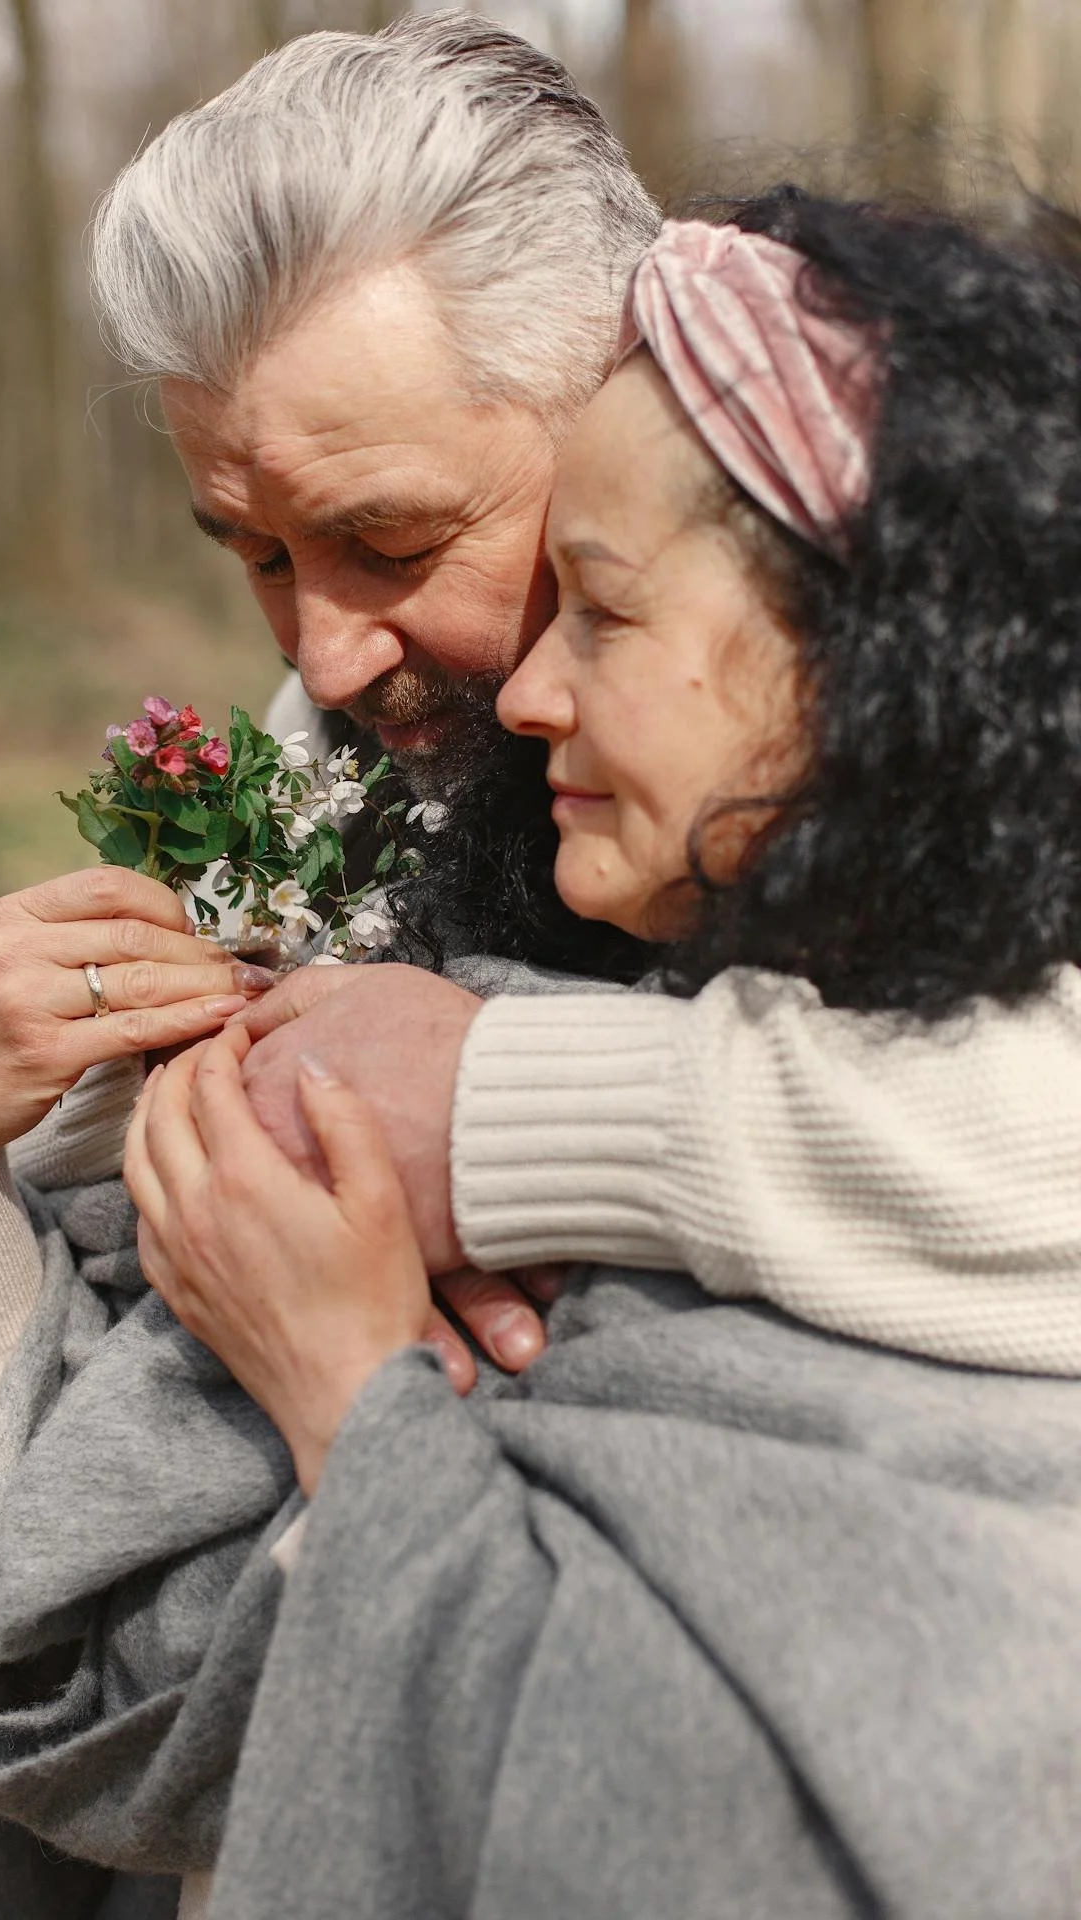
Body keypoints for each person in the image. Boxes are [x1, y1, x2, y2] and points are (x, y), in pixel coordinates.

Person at [0, 13, 1081, 1915]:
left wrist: (491, 1105)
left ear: (619, 402)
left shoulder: (938, 832)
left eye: (390, 537)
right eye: (251, 550)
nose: (324, 659)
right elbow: (147, 1619)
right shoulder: (352, 785)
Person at [125, 197, 1081, 1919]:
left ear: (879, 662)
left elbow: (684, 1822)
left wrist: (358, 1397)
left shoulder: (960, 1294)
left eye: (606, 609)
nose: (527, 694)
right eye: (255, 555)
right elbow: (130, 1686)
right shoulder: (418, 831)